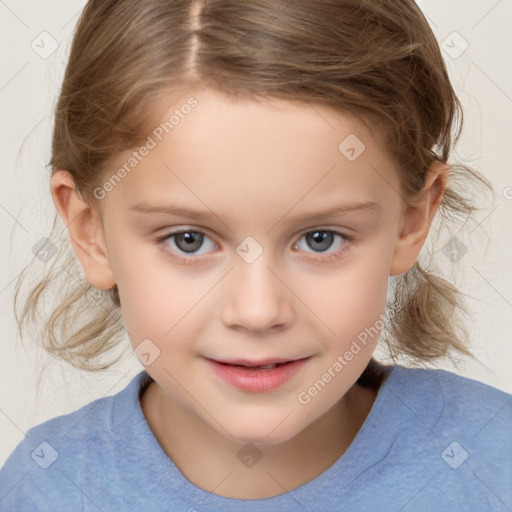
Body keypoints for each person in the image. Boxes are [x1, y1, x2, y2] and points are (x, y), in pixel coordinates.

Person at [1, 0, 511, 510]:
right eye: (189, 240)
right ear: (91, 233)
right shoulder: (48, 488)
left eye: (320, 239)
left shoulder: (493, 460)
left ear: (411, 219)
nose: (258, 310)